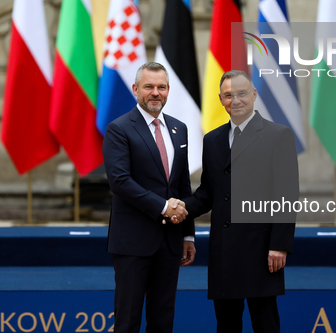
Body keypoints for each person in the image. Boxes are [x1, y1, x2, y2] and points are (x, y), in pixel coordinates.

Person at [180, 70, 299, 333]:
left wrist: (279, 245)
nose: (236, 100)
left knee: (265, 323)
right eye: (228, 95)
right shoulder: (212, 140)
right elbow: (208, 193)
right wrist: (180, 208)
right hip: (224, 252)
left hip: (262, 252)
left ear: (254, 94)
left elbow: (287, 195)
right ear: (221, 100)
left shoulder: (278, 135)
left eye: (242, 93)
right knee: (226, 325)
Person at [103, 62, 196, 333]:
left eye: (161, 87)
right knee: (128, 322)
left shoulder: (180, 129)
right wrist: (164, 207)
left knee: (163, 321)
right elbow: (120, 182)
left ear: (168, 91)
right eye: (149, 87)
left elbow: (182, 184)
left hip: (170, 244)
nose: (155, 93)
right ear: (135, 90)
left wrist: (188, 235)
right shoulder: (119, 129)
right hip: (133, 243)